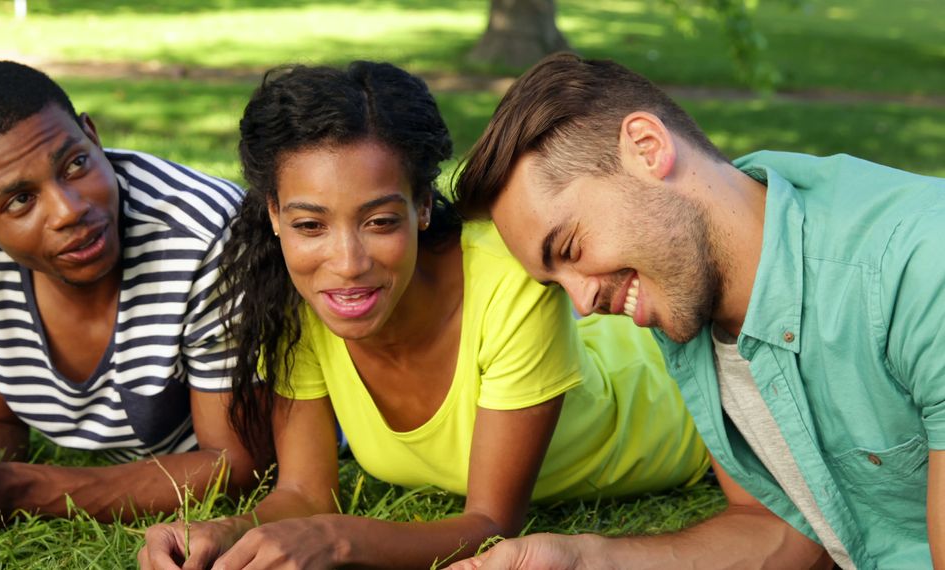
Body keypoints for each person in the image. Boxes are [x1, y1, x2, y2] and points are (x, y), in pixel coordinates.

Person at [138, 60, 709, 570]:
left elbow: (490, 523)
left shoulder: (507, 286)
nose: (347, 264)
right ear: (275, 214)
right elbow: (305, 496)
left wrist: (336, 541)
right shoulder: (297, 300)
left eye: (380, 221)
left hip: (684, 420)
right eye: (310, 225)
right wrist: (222, 534)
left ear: (422, 206)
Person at [450, 52, 945, 569]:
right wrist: (582, 560)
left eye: (571, 249)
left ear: (647, 147)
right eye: (555, 283)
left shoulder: (921, 268)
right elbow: (780, 527)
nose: (583, 302)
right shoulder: (690, 307)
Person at [0, 60, 264, 541]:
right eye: (20, 200)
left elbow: (235, 464)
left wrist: (17, 489)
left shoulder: (205, 236)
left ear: (92, 134)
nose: (71, 210)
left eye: (76, 164)